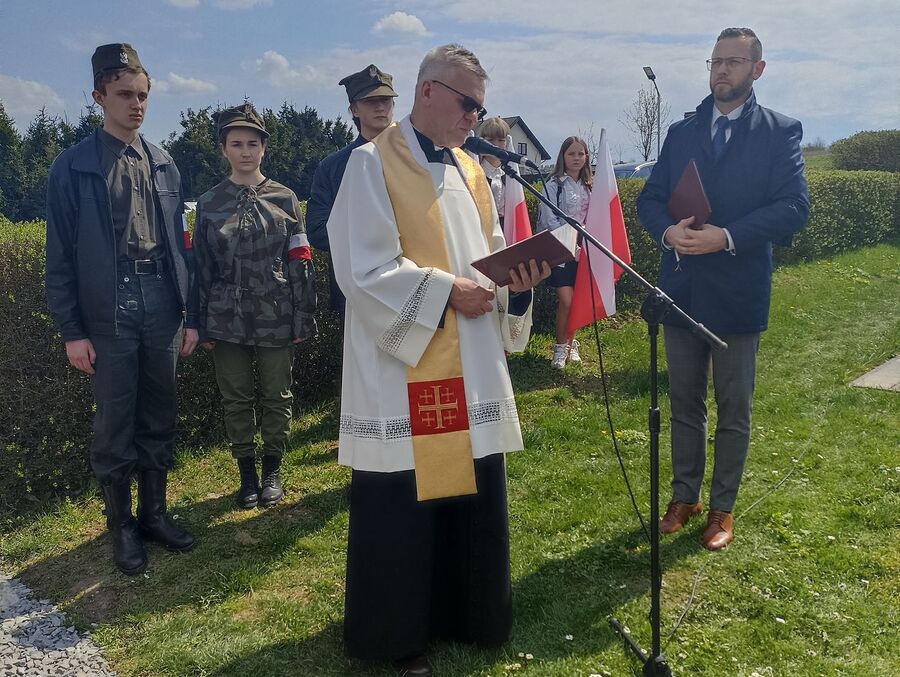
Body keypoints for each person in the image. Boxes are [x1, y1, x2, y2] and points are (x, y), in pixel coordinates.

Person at [326, 44, 550, 676]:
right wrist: (449, 291)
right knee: (404, 499)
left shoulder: (475, 170)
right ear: (427, 92)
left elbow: (491, 251)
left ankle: (470, 613)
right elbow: (361, 269)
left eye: (482, 105)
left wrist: (519, 278)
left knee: (472, 483)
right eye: (467, 102)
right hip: (408, 366)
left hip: (470, 360)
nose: (476, 117)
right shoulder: (370, 165)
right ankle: (399, 633)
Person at [636, 27, 809, 550]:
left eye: (733, 62)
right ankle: (683, 497)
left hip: (737, 293)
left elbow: (793, 208)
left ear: (757, 69)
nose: (721, 71)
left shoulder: (779, 132)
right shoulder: (681, 132)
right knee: (685, 402)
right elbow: (650, 199)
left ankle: (721, 509)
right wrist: (667, 232)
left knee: (734, 408)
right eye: (715, 61)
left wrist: (728, 237)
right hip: (683, 289)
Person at [45, 43, 199, 576]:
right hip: (107, 309)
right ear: (98, 96)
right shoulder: (73, 167)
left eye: (143, 95)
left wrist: (190, 314)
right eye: (125, 94)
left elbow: (183, 245)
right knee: (114, 423)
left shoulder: (164, 163)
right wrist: (72, 330)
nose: (136, 105)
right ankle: (122, 528)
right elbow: (59, 256)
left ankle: (155, 514)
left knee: (160, 413)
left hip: (161, 301)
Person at [190, 104, 317, 510]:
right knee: (237, 397)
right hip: (225, 316)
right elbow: (200, 269)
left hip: (277, 312)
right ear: (223, 149)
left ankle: (273, 471)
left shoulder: (285, 197)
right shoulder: (209, 204)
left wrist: (304, 314)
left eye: (253, 143)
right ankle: (246, 474)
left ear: (264, 148)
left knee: (277, 394)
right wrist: (200, 323)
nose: (245, 151)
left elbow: (301, 259)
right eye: (236, 144)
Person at [306, 65, 398, 313]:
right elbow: (317, 231)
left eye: (386, 100)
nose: (380, 107)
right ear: (354, 109)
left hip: (414, 286)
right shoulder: (333, 166)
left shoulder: (416, 159)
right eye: (370, 101)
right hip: (357, 290)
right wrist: (374, 241)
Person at [536, 136, 592, 369]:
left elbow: (595, 216)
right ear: (563, 156)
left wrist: (587, 236)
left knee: (576, 299)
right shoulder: (553, 185)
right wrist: (571, 240)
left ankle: (572, 343)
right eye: (572, 154)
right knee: (566, 300)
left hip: (584, 249)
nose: (576, 158)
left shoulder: (590, 185)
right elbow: (549, 219)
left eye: (581, 154)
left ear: (586, 157)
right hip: (561, 248)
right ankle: (560, 348)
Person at [477, 116, 511, 228]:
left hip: (505, 229)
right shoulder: (475, 173)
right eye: (490, 140)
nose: (495, 145)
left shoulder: (510, 176)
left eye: (501, 140)